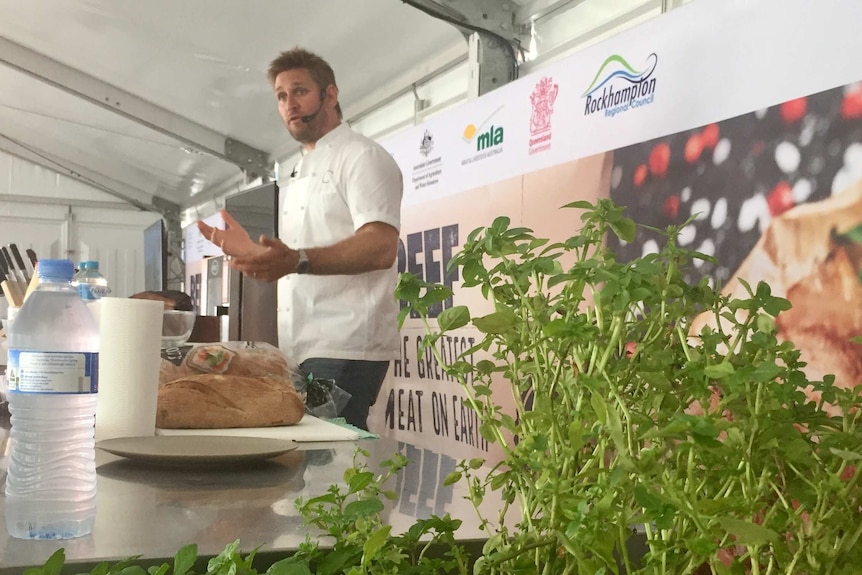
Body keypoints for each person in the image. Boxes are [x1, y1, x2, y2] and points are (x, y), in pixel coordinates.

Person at [197, 47, 403, 430]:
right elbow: (302, 254)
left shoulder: (362, 157)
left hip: (345, 343)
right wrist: (257, 255)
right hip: (300, 345)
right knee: (310, 468)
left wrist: (295, 261)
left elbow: (380, 246)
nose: (290, 104)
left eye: (300, 91)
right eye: (280, 96)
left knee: (329, 468)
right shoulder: (299, 169)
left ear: (330, 94)